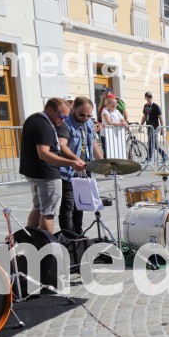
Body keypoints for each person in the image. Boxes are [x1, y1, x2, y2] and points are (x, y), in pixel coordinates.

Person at [20, 98, 87, 234]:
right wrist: (71, 163)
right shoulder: (44, 125)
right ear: (50, 109)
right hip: (46, 174)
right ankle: (47, 248)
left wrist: (74, 160)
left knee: (38, 208)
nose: (62, 120)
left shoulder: (33, 119)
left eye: (66, 117)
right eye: (61, 116)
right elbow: (43, 153)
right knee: (48, 213)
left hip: (34, 173)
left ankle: (29, 240)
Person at [57, 97, 104, 234]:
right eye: (81, 114)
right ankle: (68, 236)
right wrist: (76, 160)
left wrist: (103, 164)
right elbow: (62, 145)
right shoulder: (66, 124)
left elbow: (93, 144)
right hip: (68, 171)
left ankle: (78, 234)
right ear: (74, 109)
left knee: (80, 205)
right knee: (68, 206)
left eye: (88, 115)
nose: (85, 118)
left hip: (84, 171)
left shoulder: (89, 123)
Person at [140, 92, 168, 166]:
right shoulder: (145, 106)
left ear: (152, 98)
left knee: (150, 143)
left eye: (150, 97)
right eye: (147, 97)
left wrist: (162, 128)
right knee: (154, 145)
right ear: (145, 98)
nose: (149, 99)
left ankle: (148, 159)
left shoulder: (156, 106)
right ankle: (164, 155)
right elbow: (144, 116)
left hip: (155, 127)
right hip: (149, 127)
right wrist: (140, 126)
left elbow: (160, 118)